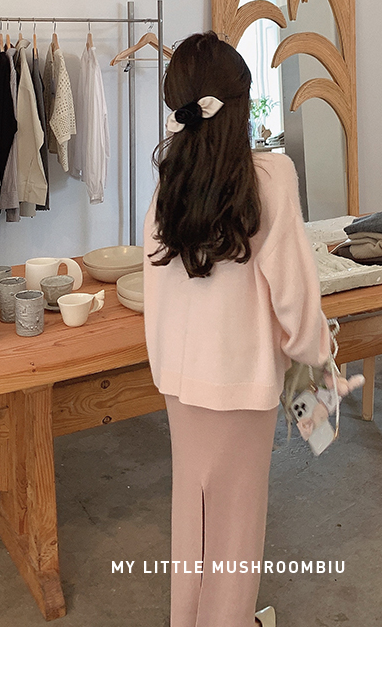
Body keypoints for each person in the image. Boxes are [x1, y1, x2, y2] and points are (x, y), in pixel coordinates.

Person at [143, 31, 331, 628]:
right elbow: (295, 295)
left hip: (179, 382)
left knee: (194, 518)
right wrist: (316, 354)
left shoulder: (168, 184)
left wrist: (165, 366)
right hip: (242, 384)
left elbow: (156, 289)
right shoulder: (271, 177)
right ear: (242, 105)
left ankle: (189, 630)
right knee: (236, 528)